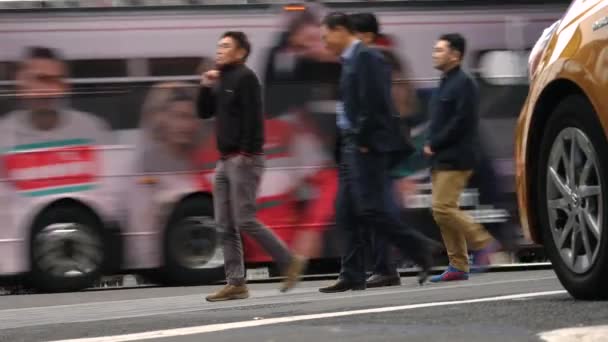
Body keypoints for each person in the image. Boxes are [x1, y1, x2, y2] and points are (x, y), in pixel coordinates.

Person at [317, 13, 436, 293]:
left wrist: (363, 139)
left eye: (326, 37)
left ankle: (421, 248)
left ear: (340, 30)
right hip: (349, 145)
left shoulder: (368, 58)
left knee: (370, 208)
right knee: (346, 212)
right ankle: (352, 274)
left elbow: (377, 104)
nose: (324, 43)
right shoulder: (349, 61)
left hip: (363, 146)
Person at [198, 31, 305, 301]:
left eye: (225, 46)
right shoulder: (221, 79)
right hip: (224, 162)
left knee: (244, 218)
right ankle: (236, 283)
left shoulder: (246, 78)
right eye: (218, 45)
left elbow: (255, 119)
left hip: (244, 158)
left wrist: (246, 153)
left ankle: (289, 260)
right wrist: (205, 86)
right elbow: (204, 112)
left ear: (241, 52)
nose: (219, 50)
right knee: (224, 225)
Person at [424, 33, 499, 283]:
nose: (435, 54)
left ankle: (484, 242)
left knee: (442, 208)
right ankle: (458, 265)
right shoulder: (445, 82)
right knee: (443, 211)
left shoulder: (464, 83)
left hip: (456, 156)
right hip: (441, 157)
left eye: (440, 50)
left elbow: (461, 121)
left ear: (455, 54)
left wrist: (435, 143)